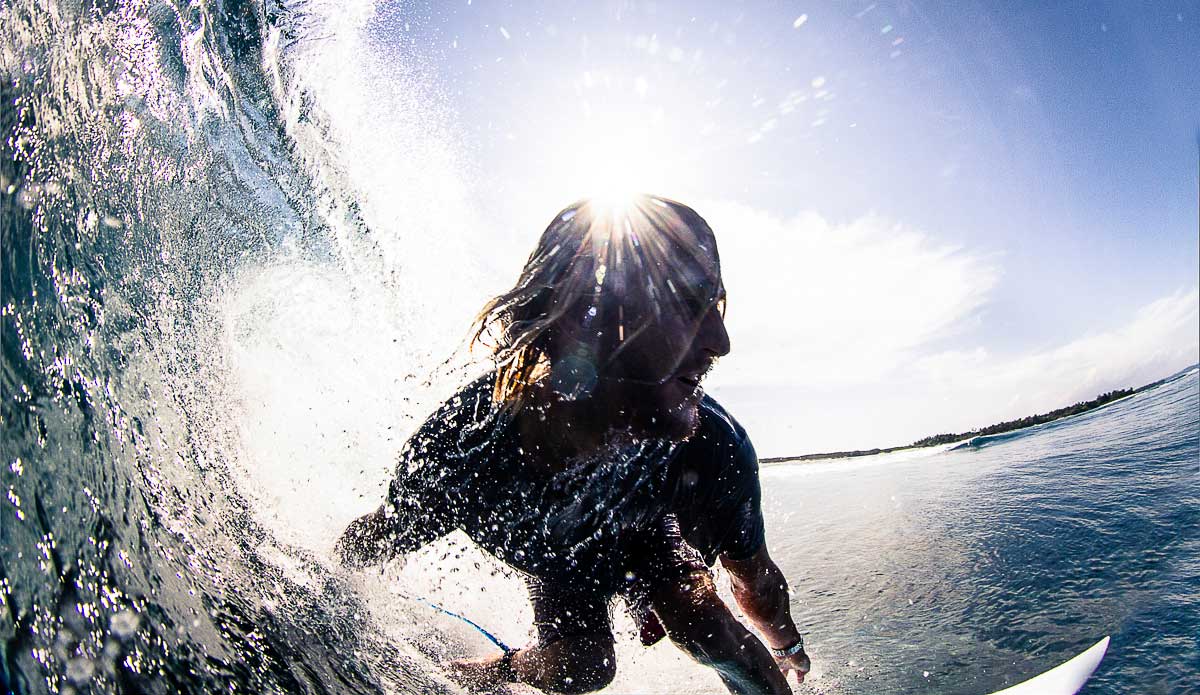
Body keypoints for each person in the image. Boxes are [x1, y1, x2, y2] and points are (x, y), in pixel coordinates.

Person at [336, 195, 811, 694]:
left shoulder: (711, 445)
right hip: (557, 558)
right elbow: (372, 540)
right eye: (689, 306)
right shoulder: (466, 452)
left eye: (714, 304)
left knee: (703, 626)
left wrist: (787, 649)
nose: (722, 340)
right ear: (579, 321)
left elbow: (755, 579)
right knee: (583, 668)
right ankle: (490, 674)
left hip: (648, 532)